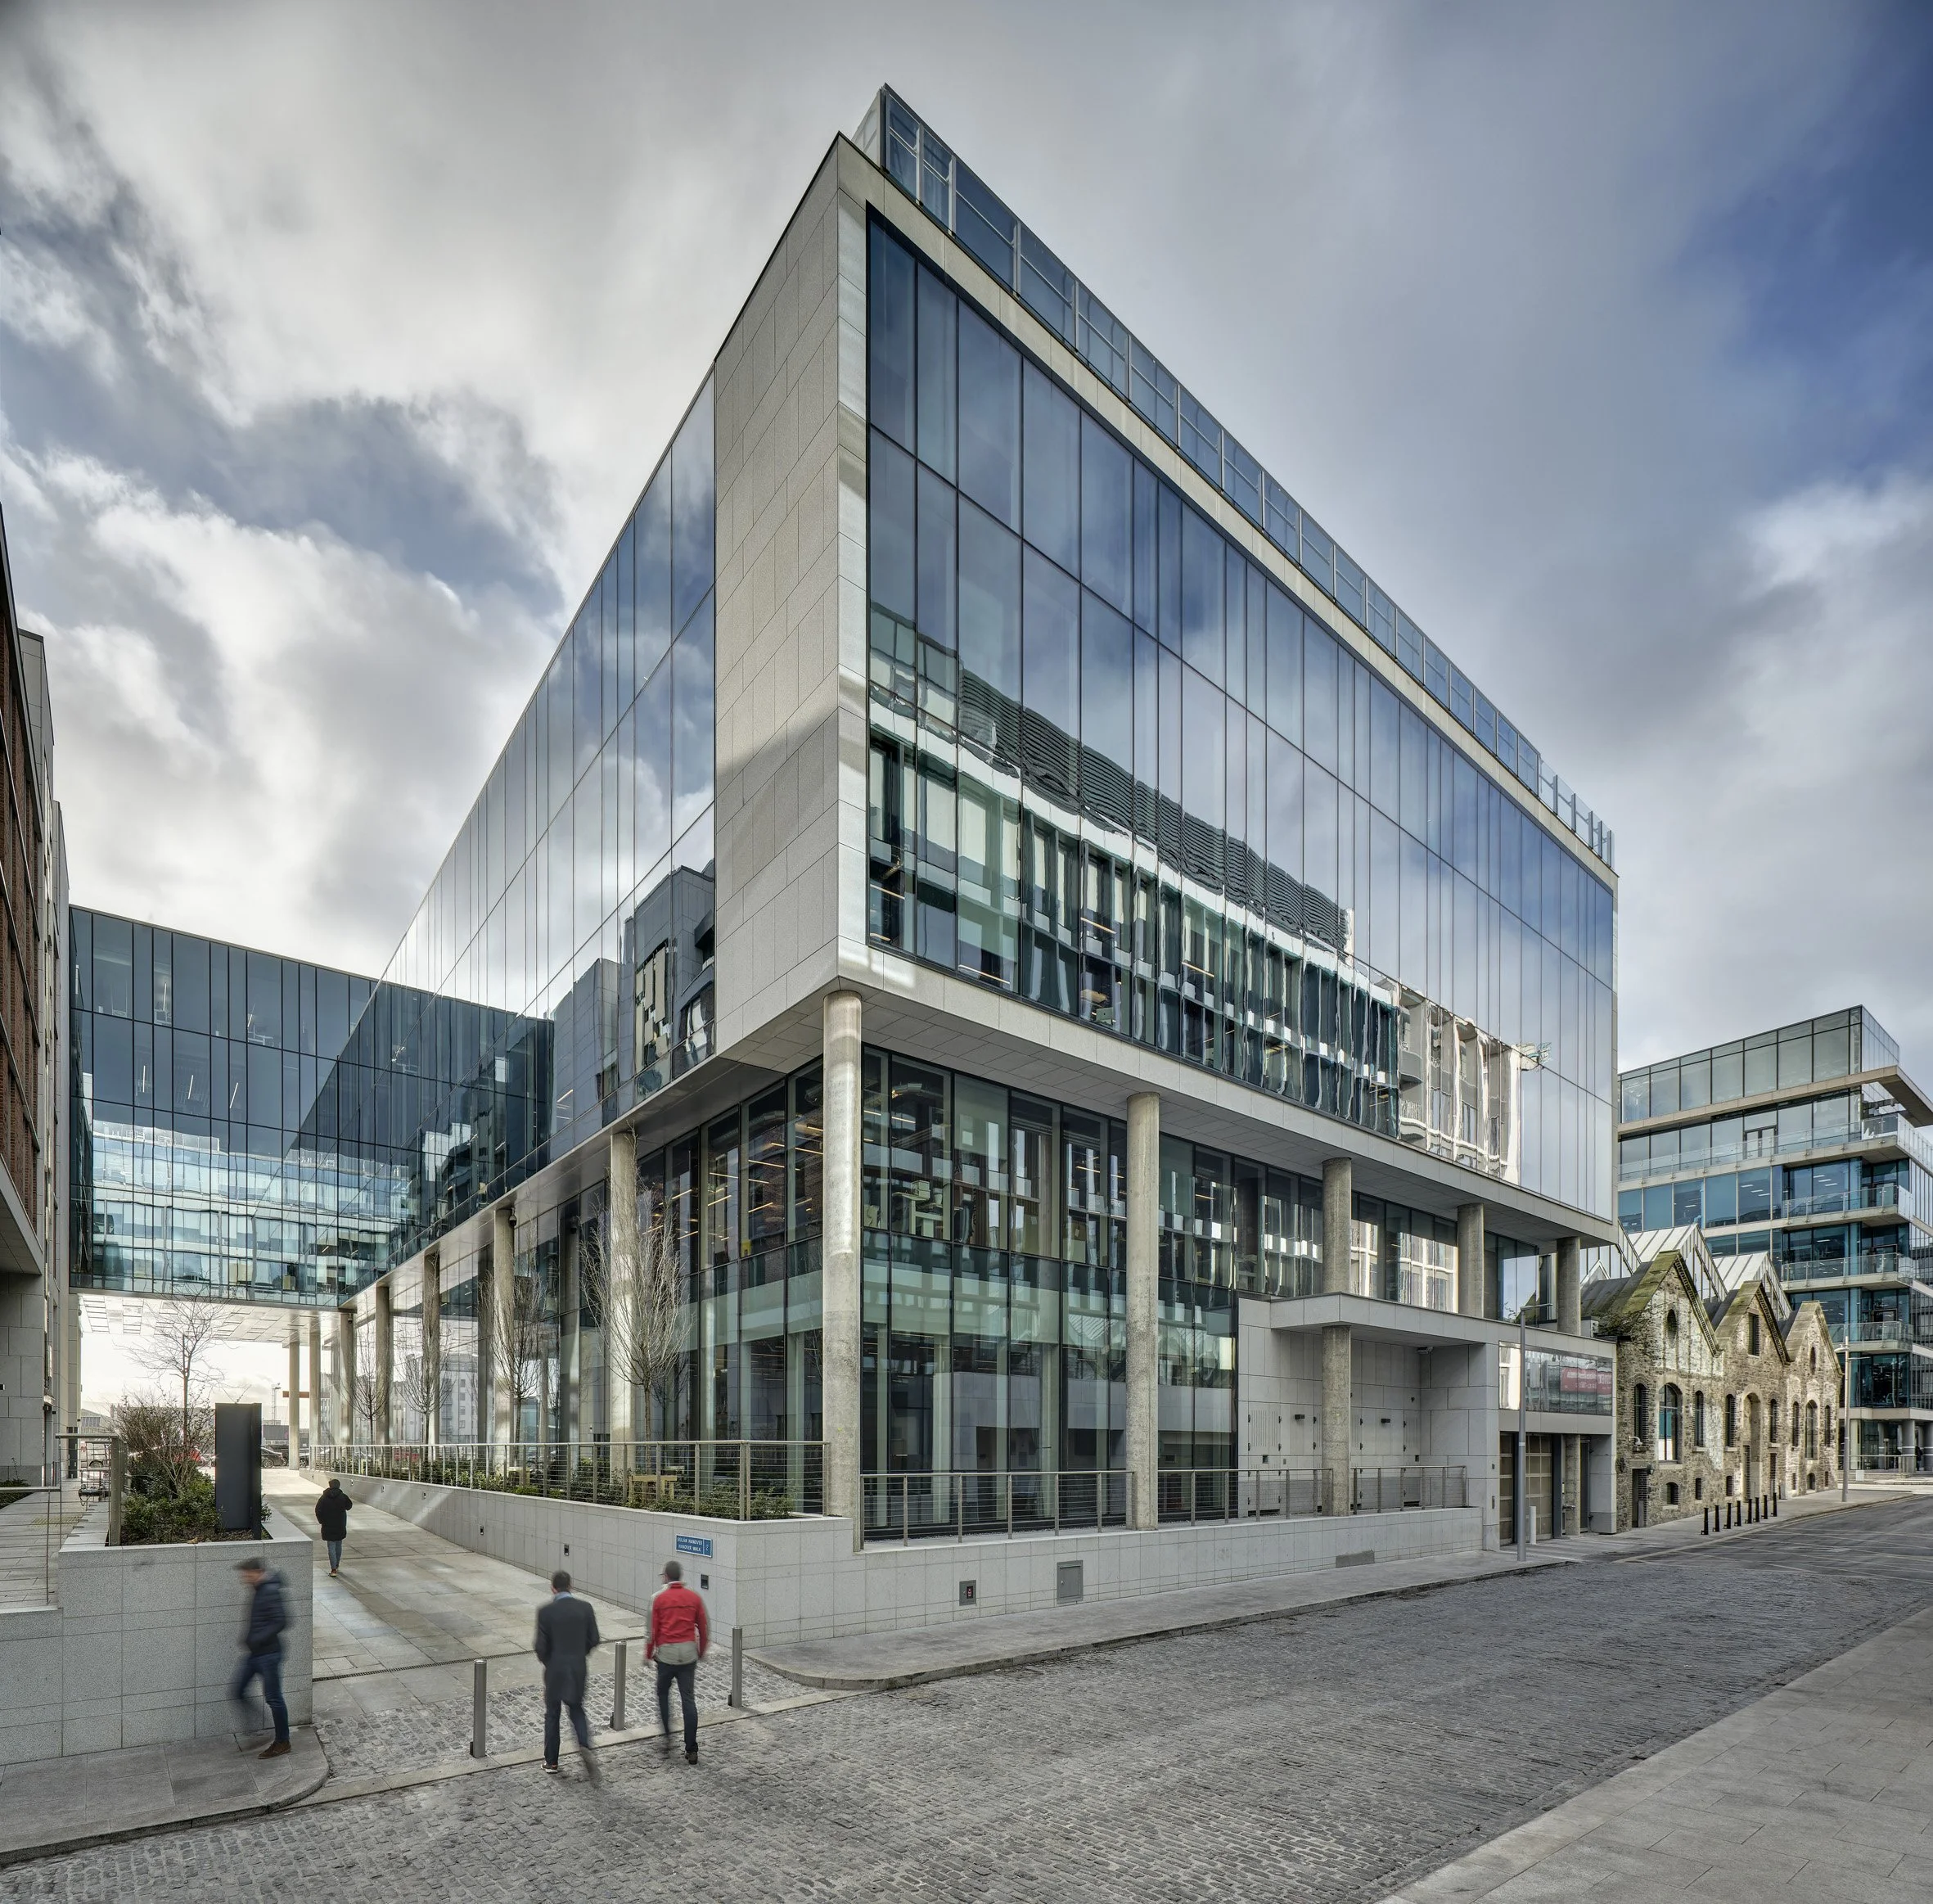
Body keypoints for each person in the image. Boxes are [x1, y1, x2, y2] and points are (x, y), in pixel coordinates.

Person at [534, 1569, 602, 1782]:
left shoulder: (545, 1612)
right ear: (571, 1586)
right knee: (577, 1709)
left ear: (553, 1588)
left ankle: (552, 1762)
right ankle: (584, 1744)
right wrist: (579, 1655)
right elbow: (595, 1638)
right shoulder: (585, 1608)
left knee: (552, 1714)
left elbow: (540, 1647)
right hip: (577, 1668)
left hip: (554, 1670)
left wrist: (550, 1663)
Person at [646, 1558, 708, 1764]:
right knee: (688, 1700)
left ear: (666, 1576)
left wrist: (648, 1653)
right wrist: (701, 1651)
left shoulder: (658, 1598)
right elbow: (703, 1626)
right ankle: (691, 1748)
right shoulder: (694, 1597)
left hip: (666, 1655)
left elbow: (652, 1631)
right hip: (688, 1654)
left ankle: (667, 1737)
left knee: (663, 1694)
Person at [231, 1557, 291, 1757]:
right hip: (256, 1653)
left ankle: (283, 1742)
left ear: (257, 1572)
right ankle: (259, 1730)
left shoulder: (269, 1591)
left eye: (247, 1574)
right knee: (238, 1691)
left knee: (274, 1698)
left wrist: (256, 1638)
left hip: (269, 1654)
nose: (244, 1578)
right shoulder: (259, 1589)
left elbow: (281, 1621)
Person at [314, 1478, 352, 1576]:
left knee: (331, 1547)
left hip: (328, 1525)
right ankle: (337, 1564)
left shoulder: (323, 1498)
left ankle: (333, 1569)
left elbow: (318, 1510)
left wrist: (321, 1521)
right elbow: (349, 1506)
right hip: (340, 1525)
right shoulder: (343, 1497)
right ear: (339, 1485)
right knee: (338, 1545)